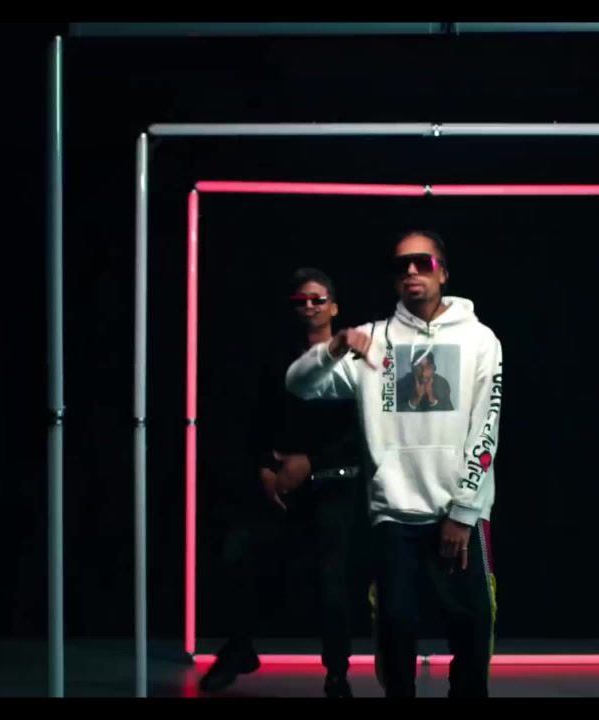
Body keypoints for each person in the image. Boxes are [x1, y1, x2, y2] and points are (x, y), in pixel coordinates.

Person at [285, 231, 502, 698]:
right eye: (402, 265)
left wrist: (464, 512)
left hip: (457, 514)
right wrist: (334, 348)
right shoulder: (375, 339)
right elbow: (299, 385)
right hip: (394, 516)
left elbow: (486, 428)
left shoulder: (480, 339)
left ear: (443, 272)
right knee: (395, 631)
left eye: (423, 262)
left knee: (471, 631)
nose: (411, 272)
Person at [199, 268, 367, 698]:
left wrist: (311, 462)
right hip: (282, 485)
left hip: (335, 484)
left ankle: (337, 675)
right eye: (300, 300)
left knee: (331, 582)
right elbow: (257, 418)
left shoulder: (356, 358)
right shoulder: (277, 358)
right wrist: (265, 470)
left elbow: (363, 429)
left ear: (333, 306)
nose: (309, 306)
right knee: (240, 555)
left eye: (317, 299)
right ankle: (239, 649)